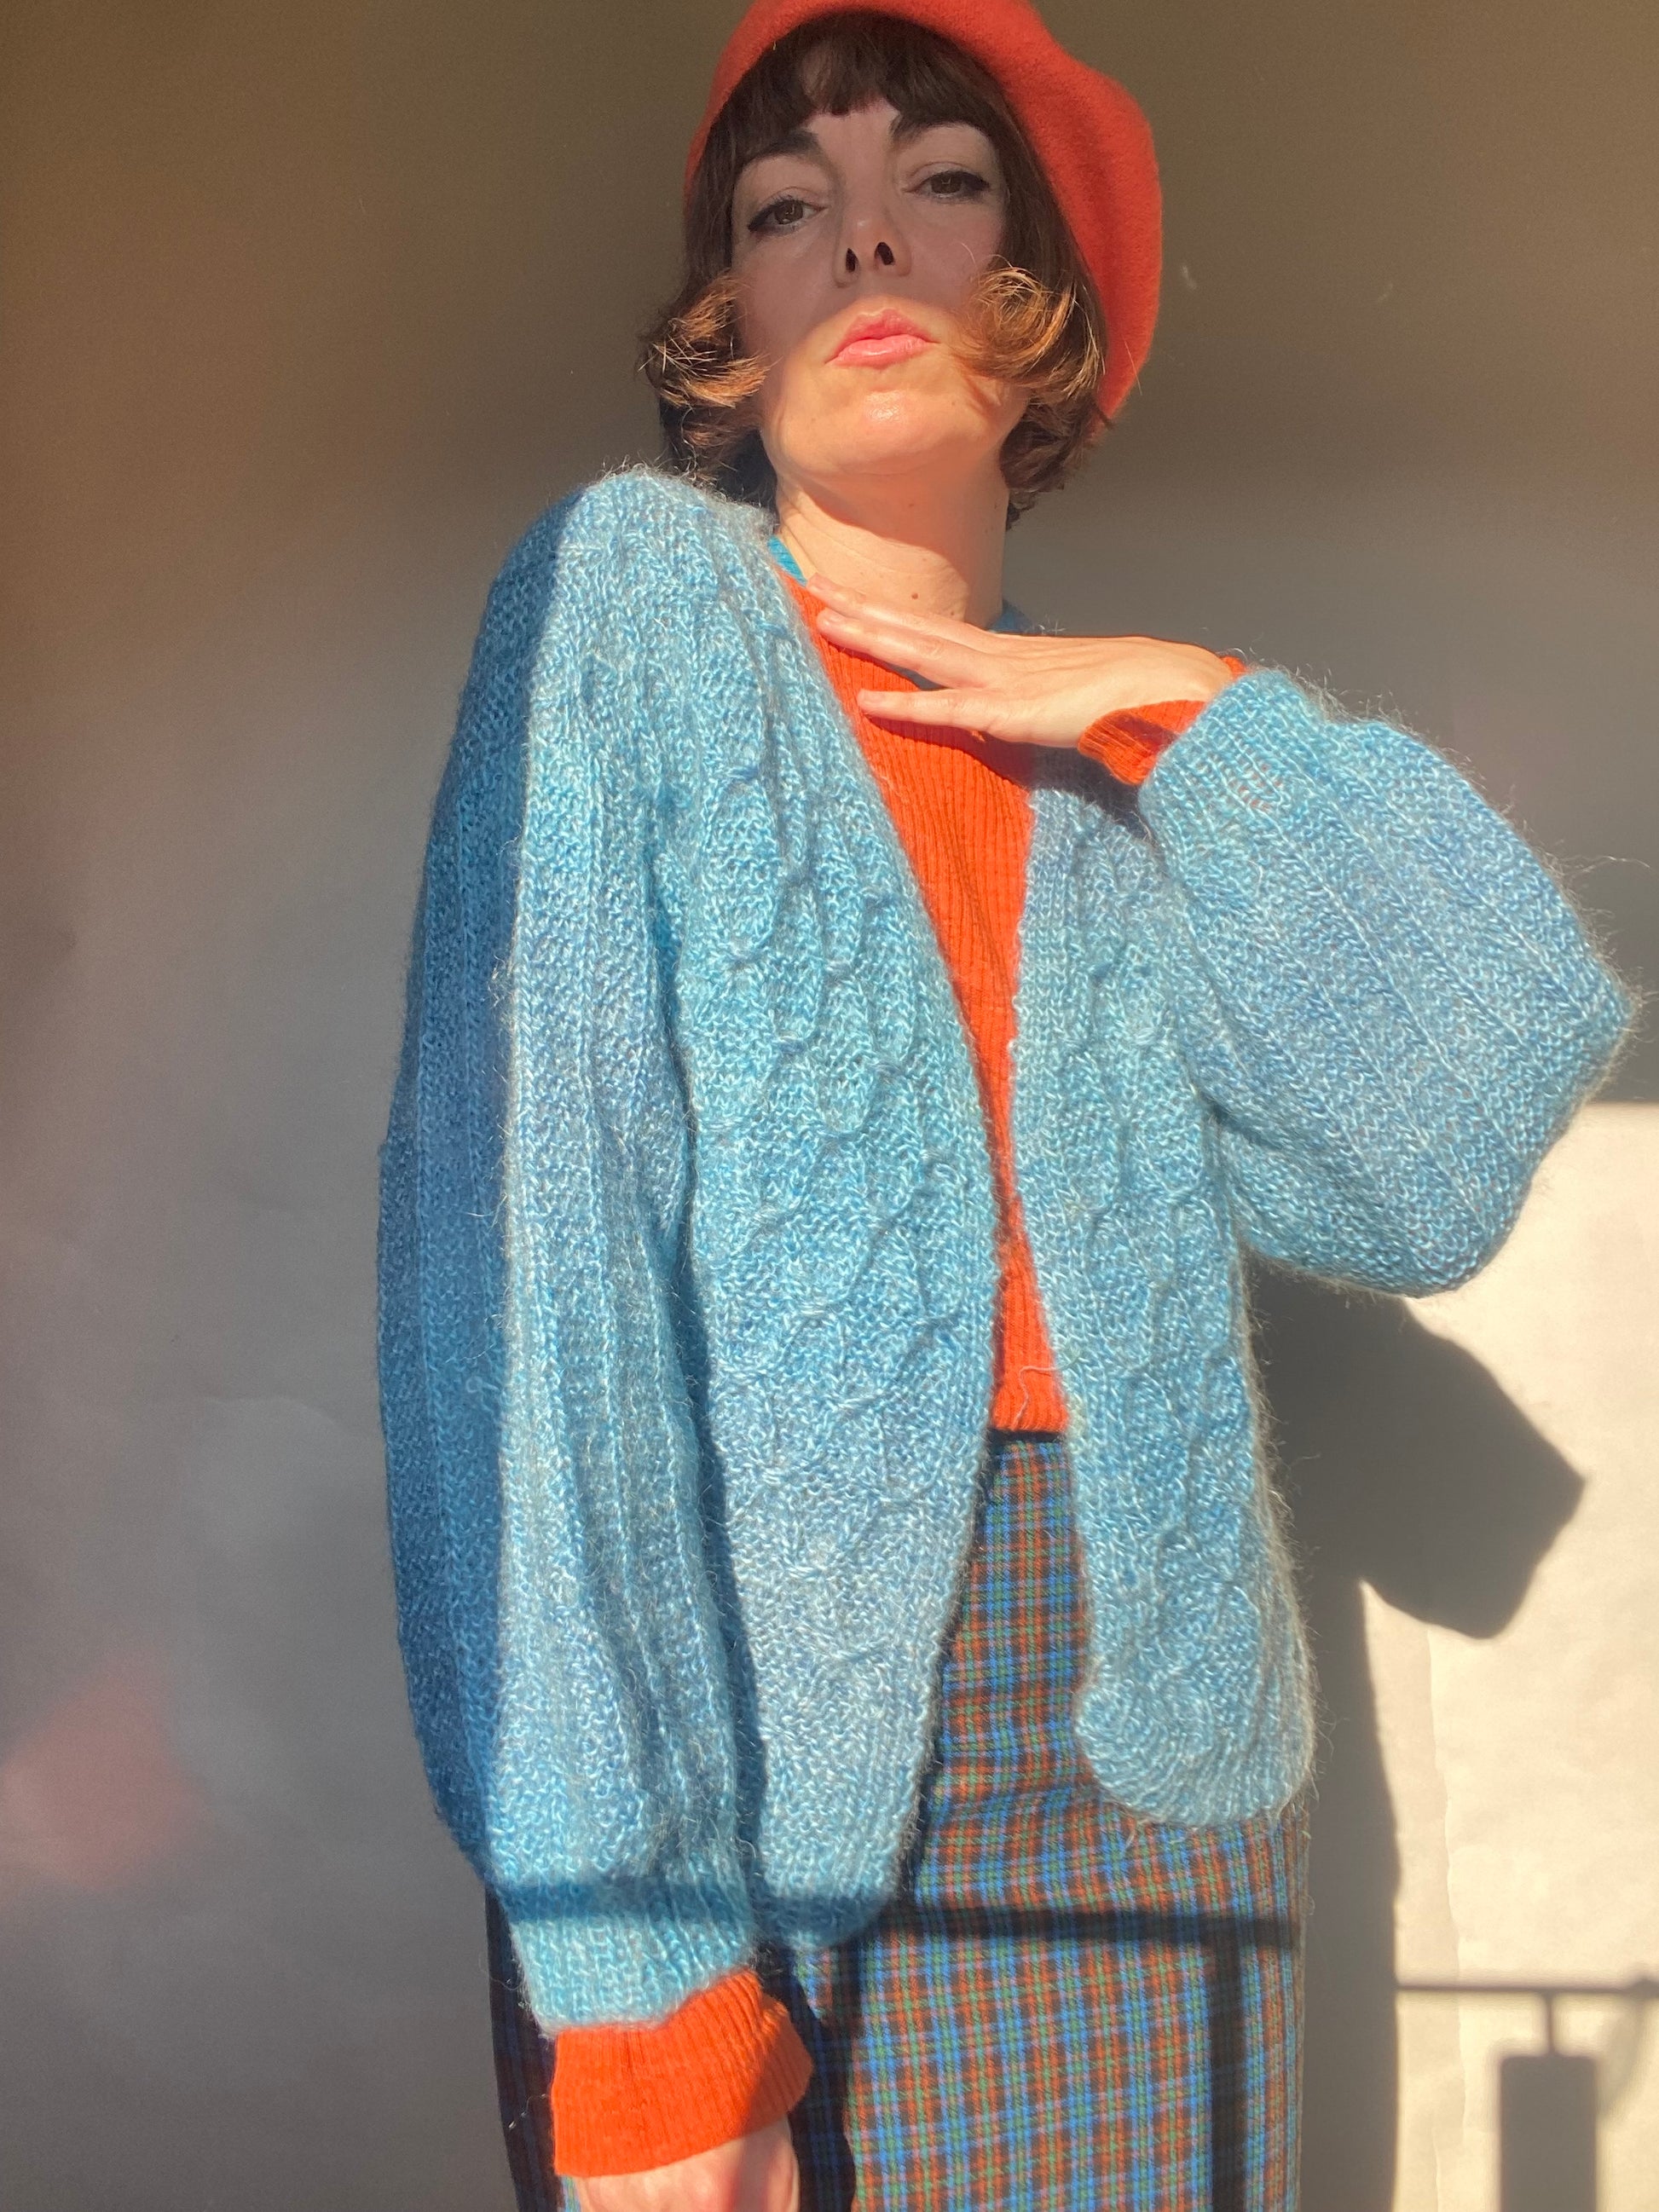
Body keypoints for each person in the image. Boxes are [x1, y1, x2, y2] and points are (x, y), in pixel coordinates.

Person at [375, 4, 1633, 2207]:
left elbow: (1438, 1150)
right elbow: (526, 1312)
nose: (863, 241)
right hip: (747, 1763)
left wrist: (1197, 715)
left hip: (1166, 1747)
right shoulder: (627, 608)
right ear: (726, 326)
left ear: (1042, 307)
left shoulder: (1126, 783)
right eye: (788, 209)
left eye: (938, 184)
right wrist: (646, 1996)